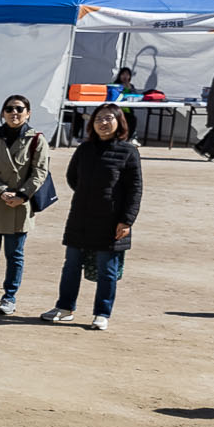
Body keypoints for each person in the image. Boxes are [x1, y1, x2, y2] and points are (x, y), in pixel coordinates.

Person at [42, 102, 141, 332]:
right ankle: (65, 308)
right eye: (98, 119)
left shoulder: (128, 152)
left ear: (119, 123)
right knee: (71, 265)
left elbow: (135, 189)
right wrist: (90, 195)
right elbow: (72, 177)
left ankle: (101, 313)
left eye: (108, 119)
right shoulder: (84, 149)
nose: (103, 123)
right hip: (81, 217)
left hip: (112, 220)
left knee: (107, 269)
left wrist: (127, 220)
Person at [0, 95, 50, 316]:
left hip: (20, 204)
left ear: (28, 113)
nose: (14, 113)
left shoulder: (36, 139)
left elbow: (40, 172)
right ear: (3, 112)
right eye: (9, 109)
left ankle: (9, 296)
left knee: (14, 254)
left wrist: (23, 195)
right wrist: (0, 192)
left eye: (19, 109)